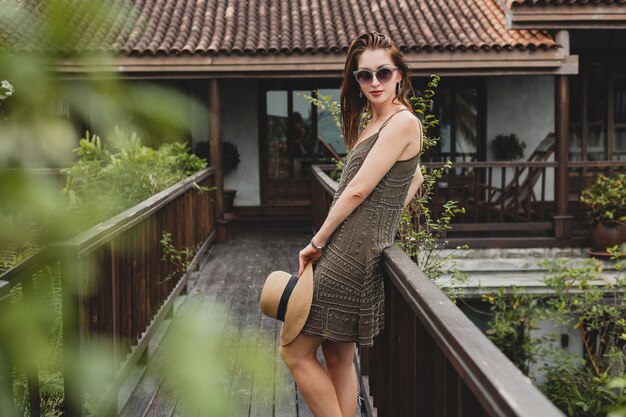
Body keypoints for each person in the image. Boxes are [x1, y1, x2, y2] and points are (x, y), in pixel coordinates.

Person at [278, 32, 424, 417]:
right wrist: (384, 223)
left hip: (348, 253)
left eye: (383, 72)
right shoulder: (374, 121)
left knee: (293, 351)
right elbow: (416, 179)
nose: (374, 81)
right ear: (355, 80)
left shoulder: (402, 122)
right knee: (337, 355)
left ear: (399, 74)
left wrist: (318, 240)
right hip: (357, 247)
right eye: (364, 75)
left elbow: (358, 189)